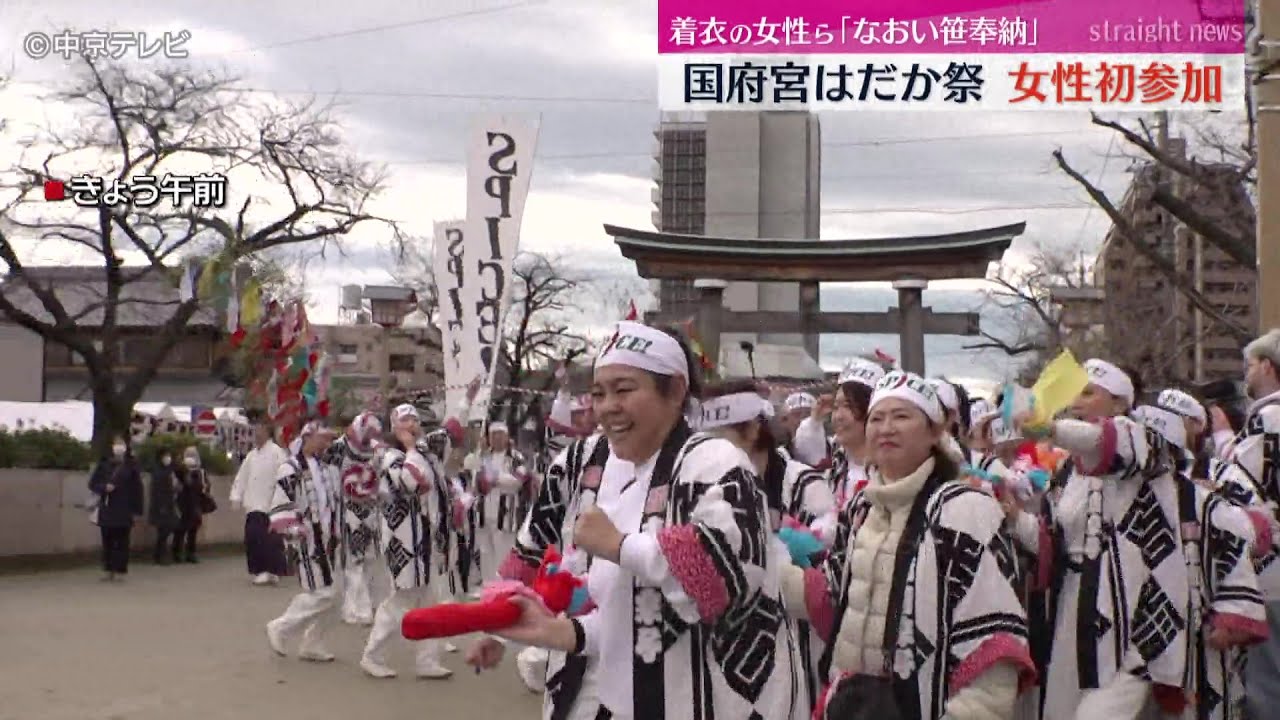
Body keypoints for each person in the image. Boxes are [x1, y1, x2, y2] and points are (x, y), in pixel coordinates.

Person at [491, 320, 803, 720]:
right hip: (619, 684)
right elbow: (636, 615)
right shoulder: (593, 463)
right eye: (599, 393)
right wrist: (546, 629)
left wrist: (620, 545)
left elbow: (720, 583)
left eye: (624, 390)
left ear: (675, 390)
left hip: (713, 698)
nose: (607, 407)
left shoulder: (716, 464)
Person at [778, 370, 1034, 720]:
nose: (886, 428)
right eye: (877, 418)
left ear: (934, 431)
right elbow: (832, 594)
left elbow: (995, 645)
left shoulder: (964, 510)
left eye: (901, 416)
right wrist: (760, 556)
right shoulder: (864, 507)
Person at [1010, 359, 1190, 719]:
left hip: (1131, 612)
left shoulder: (1144, 444)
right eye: (1075, 392)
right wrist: (1010, 515)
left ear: (1122, 402)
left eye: (1089, 392)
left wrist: (1049, 428)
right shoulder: (1066, 470)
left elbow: (1106, 441)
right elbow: (1053, 545)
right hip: (1072, 608)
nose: (1078, 400)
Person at [698, 378, 837, 713]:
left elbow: (830, 585)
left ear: (753, 429)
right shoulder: (701, 482)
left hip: (794, 654)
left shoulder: (803, 484)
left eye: (722, 437)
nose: (709, 448)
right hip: (719, 653)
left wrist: (772, 559)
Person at [360, 404, 454, 679]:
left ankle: (427, 660)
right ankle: (372, 655)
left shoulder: (421, 452)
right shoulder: (390, 456)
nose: (412, 424)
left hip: (421, 537)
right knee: (402, 599)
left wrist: (464, 404)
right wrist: (412, 447)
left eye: (414, 419)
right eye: (405, 421)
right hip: (402, 541)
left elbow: (449, 434)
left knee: (428, 600)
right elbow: (414, 483)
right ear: (395, 426)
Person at [1215, 328, 1280, 720]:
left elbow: (1237, 478)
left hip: (1273, 566)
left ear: (1269, 367)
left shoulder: (1270, 418)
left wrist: (1222, 432)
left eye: (1251, 365)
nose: (1246, 374)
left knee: (1267, 678)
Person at [265, 422, 341, 663]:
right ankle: (281, 626)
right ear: (308, 437)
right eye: (323, 439)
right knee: (322, 592)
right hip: (307, 537)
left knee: (337, 596)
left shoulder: (326, 467)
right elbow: (281, 501)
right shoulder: (290, 468)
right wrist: (293, 529)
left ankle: (313, 642)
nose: (326, 444)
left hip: (330, 537)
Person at [325, 411, 383, 625]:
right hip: (348, 510)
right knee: (353, 561)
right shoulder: (339, 448)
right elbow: (329, 476)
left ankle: (361, 605)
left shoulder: (377, 450)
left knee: (366, 560)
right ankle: (355, 608)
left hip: (369, 510)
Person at [464, 421, 531, 586]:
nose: (497, 438)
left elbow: (518, 481)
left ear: (507, 437)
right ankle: (488, 588)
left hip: (505, 515)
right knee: (485, 555)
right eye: (493, 435)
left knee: (503, 554)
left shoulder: (516, 457)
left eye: (500, 434)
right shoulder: (482, 457)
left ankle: (504, 588)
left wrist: (495, 479)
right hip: (483, 514)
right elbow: (474, 480)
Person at [231, 421, 289, 585]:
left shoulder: (277, 453)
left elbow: (285, 477)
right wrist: (237, 495)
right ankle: (260, 570)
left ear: (268, 433)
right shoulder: (251, 455)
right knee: (254, 537)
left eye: (260, 431)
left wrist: (283, 500)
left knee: (271, 540)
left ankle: (273, 570)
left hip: (271, 502)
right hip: (253, 503)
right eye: (255, 431)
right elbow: (242, 477)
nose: (256, 434)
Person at [88, 436, 144, 581]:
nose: (118, 447)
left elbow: (137, 489)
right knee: (107, 540)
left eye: (121, 444)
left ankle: (120, 570)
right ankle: (108, 569)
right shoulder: (104, 464)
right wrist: (104, 487)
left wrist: (137, 510)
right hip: (107, 507)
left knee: (122, 541)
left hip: (124, 508)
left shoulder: (131, 466)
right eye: (116, 444)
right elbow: (93, 483)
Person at [173, 447, 212, 564]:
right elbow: (176, 486)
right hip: (183, 504)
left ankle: (191, 553)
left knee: (193, 530)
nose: (191, 458)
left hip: (195, 504)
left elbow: (205, 486)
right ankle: (177, 553)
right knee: (180, 530)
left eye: (193, 455)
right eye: (188, 455)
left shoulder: (201, 472)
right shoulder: (180, 470)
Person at [148, 451, 180, 565]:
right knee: (163, 530)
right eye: (166, 457)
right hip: (161, 505)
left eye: (169, 456)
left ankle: (160, 554)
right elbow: (156, 491)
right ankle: (159, 555)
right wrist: (161, 505)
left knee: (168, 529)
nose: (168, 459)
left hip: (170, 504)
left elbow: (174, 485)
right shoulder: (158, 472)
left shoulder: (170, 471)